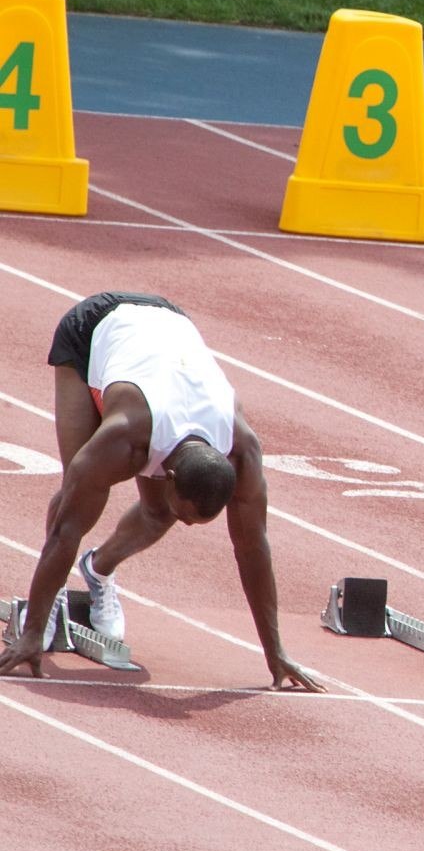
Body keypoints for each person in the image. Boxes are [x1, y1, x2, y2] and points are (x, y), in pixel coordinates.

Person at [0, 292, 322, 691]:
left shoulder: (243, 452)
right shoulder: (124, 440)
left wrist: (275, 651)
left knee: (159, 513)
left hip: (168, 329)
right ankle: (50, 604)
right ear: (166, 475)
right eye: (188, 515)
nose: (186, 526)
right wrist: (31, 634)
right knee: (75, 491)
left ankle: (99, 569)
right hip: (94, 331)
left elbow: (253, 547)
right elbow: (66, 530)